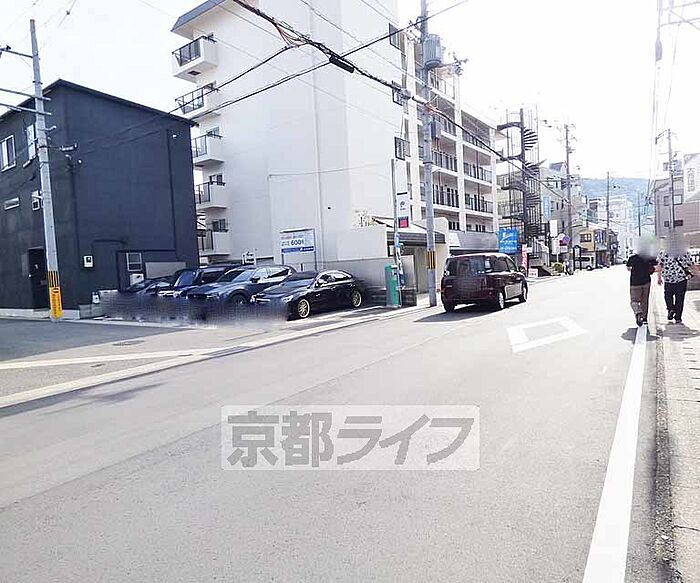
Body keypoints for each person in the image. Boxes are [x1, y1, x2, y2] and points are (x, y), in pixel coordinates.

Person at [657, 233, 698, 324]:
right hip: (681, 280)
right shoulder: (684, 253)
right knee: (680, 298)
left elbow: (660, 266)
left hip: (668, 279)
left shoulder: (663, 253)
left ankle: (671, 308)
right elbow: (692, 265)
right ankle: (678, 317)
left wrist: (659, 278)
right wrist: (697, 273)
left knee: (668, 296)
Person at [626, 245, 657, 326]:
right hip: (646, 281)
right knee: (645, 300)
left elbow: (628, 268)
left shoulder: (632, 258)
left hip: (635, 282)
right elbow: (656, 267)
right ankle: (644, 318)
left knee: (634, 300)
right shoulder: (649, 258)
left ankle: (637, 312)